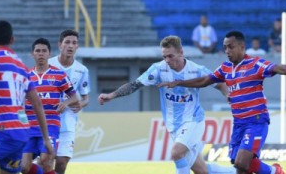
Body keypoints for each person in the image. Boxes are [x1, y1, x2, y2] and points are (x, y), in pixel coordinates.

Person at [98, 35, 236, 174]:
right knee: (202, 171)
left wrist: (227, 95)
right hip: (173, 125)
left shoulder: (196, 70)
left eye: (170, 56)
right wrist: (112, 95)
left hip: (193, 120)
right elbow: (135, 85)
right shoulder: (158, 69)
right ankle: (237, 171)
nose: (167, 60)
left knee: (176, 153)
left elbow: (220, 84)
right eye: (164, 57)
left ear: (181, 52)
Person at [159, 31, 286, 174]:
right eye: (225, 47)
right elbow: (205, 80)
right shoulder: (225, 68)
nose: (227, 51)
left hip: (255, 122)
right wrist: (180, 82)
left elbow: (279, 68)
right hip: (238, 124)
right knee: (239, 168)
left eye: (231, 47)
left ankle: (275, 171)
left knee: (241, 162)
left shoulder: (255, 64)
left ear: (242, 47)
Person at [0, 20, 54, 174]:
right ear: (12, 40)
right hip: (23, 133)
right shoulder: (22, 67)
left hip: (6, 132)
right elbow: (37, 103)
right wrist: (46, 139)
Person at [22, 38, 79, 174]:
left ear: (49, 54)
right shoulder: (26, 76)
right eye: (38, 51)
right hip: (29, 127)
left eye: (44, 51)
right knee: (24, 168)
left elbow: (75, 97)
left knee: (46, 161)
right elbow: (19, 103)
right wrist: (21, 121)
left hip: (50, 126)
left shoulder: (59, 75)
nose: (41, 54)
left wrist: (65, 103)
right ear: (32, 54)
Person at [48, 30, 90, 174]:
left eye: (74, 43)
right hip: (47, 120)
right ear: (60, 45)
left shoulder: (82, 70)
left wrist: (80, 104)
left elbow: (85, 98)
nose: (70, 46)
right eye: (67, 42)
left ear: (77, 46)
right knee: (46, 160)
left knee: (61, 163)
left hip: (68, 122)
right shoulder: (48, 64)